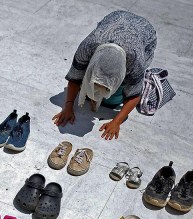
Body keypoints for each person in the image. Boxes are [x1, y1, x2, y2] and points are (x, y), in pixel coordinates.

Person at [52, 11, 157, 140]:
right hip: (116, 18)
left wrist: (116, 122)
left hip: (145, 31)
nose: (99, 86)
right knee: (89, 94)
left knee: (111, 102)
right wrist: (68, 106)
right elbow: (74, 78)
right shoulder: (87, 48)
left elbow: (134, 95)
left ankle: (133, 81)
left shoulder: (136, 62)